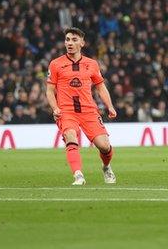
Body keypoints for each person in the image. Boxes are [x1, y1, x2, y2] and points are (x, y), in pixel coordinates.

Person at [46, 28, 117, 185]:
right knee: (71, 136)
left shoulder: (91, 64)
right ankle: (78, 175)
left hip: (89, 111)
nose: (69, 43)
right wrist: (55, 108)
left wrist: (110, 106)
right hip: (66, 111)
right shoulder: (56, 64)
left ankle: (106, 167)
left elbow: (100, 87)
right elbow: (50, 91)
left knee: (104, 146)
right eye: (67, 39)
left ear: (82, 43)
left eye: (74, 40)